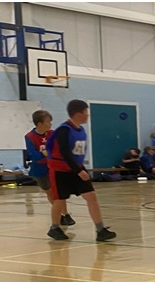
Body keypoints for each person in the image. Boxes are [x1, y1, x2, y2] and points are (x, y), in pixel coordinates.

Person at [45, 99, 116, 242]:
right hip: (60, 170)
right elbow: (64, 152)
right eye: (86, 112)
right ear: (78, 114)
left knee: (91, 196)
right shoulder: (64, 130)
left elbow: (75, 154)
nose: (87, 115)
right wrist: (78, 171)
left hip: (76, 167)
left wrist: (79, 168)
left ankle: (100, 230)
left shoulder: (81, 130)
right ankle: (54, 228)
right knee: (60, 199)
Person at [25, 110, 75, 226]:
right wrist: (44, 153)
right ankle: (60, 214)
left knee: (59, 191)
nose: (50, 124)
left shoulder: (53, 134)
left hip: (53, 166)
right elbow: (33, 155)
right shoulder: (30, 137)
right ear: (40, 124)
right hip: (39, 169)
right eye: (48, 122)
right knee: (50, 192)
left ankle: (66, 214)